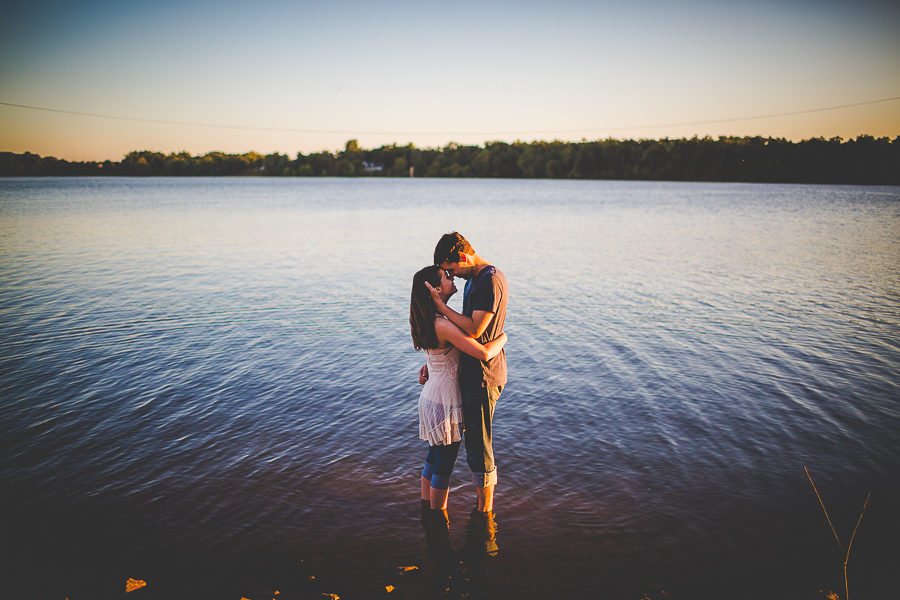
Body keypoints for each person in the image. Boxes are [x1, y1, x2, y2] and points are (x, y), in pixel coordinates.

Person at [421, 232, 508, 513]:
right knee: (459, 451)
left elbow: (474, 329)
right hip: (468, 372)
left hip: (483, 376)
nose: (451, 276)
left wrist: (441, 307)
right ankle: (450, 515)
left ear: (461, 257)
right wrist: (435, 360)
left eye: (450, 269)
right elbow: (461, 332)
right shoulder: (474, 280)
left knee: (479, 448)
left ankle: (485, 513)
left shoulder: (490, 280)